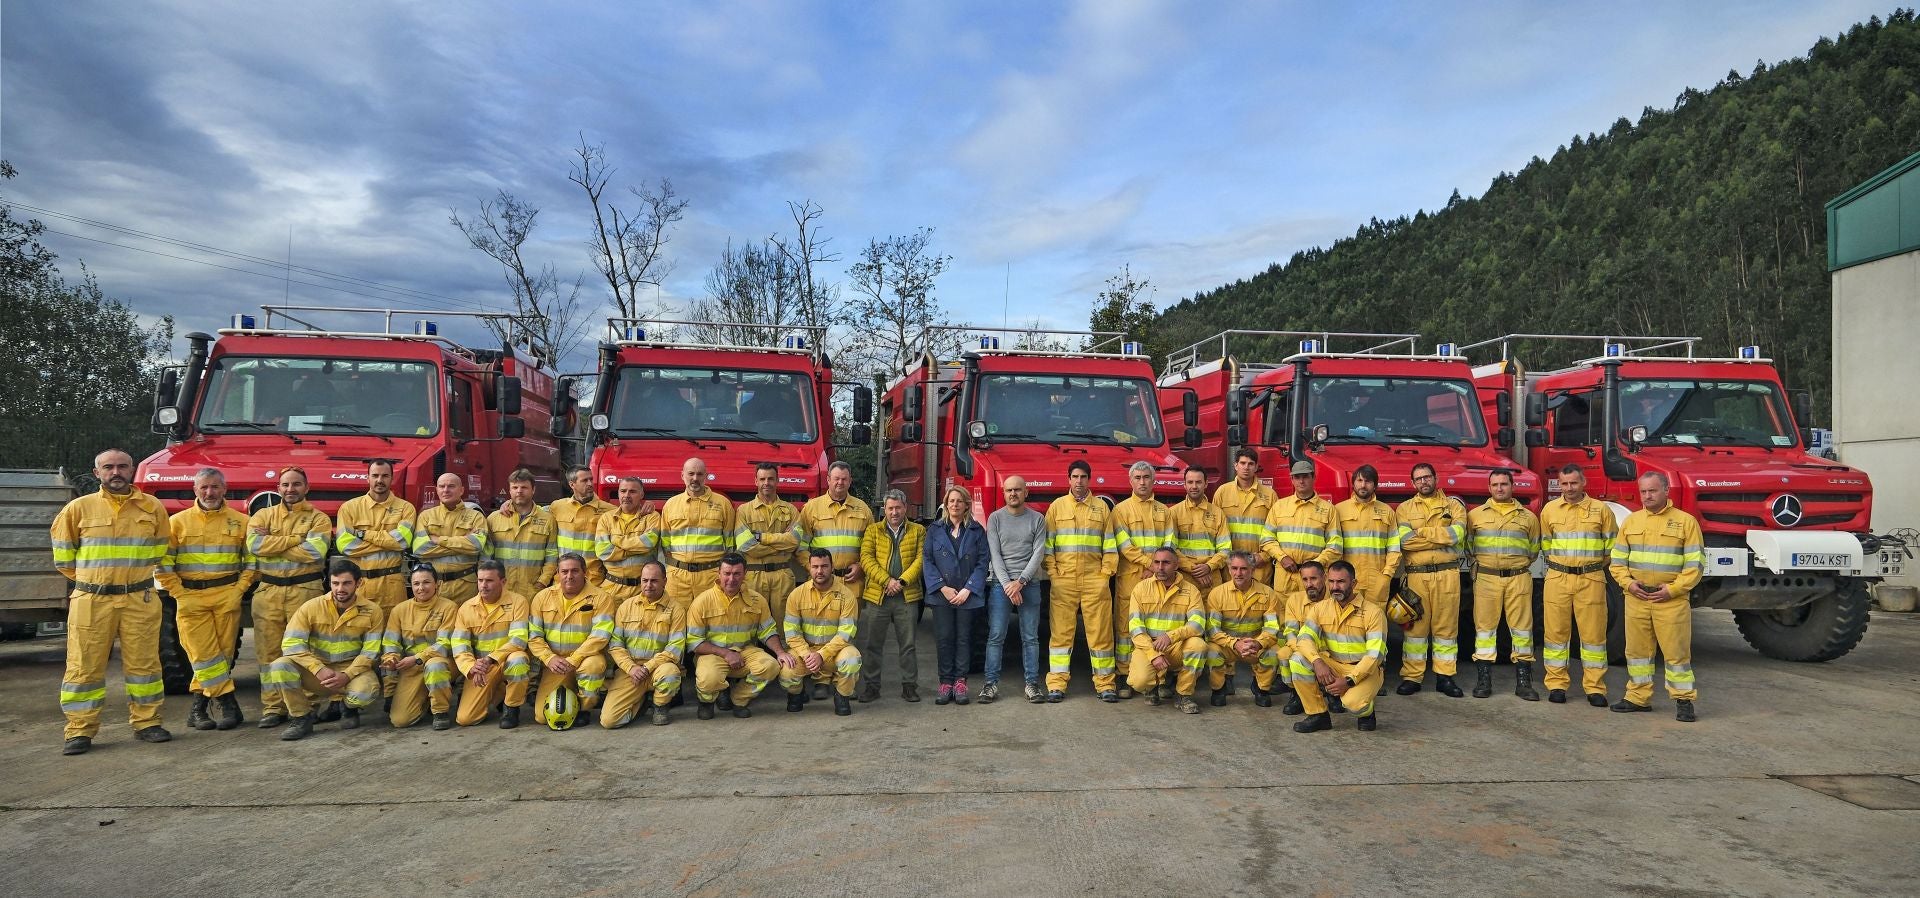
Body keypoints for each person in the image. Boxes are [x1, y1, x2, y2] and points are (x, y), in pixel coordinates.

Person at [49, 448, 173, 755]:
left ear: (131, 470)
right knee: (83, 667)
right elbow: (64, 558)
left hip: (139, 598)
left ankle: (148, 723)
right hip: (91, 599)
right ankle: (79, 731)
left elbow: (160, 549)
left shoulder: (152, 508)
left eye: (121, 466)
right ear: (97, 473)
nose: (115, 472)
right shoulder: (78, 509)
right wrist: (97, 581)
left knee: (145, 665)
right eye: (108, 467)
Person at [156, 467, 254, 732]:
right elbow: (163, 563)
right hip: (189, 597)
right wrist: (178, 593)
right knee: (203, 655)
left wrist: (239, 591)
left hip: (227, 595)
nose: (210, 492)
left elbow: (252, 562)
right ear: (195, 491)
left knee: (221, 655)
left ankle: (197, 710)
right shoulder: (177, 522)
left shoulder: (242, 522)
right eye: (204, 488)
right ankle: (229, 703)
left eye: (215, 487)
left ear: (224, 489)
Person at [1609, 471, 1704, 722]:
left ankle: (1683, 701)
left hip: (1670, 600)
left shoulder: (1686, 522)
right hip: (1637, 598)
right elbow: (1617, 562)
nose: (1647, 496)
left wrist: (1672, 590)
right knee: (1637, 653)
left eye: (1652, 490)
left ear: (1666, 491)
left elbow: (1695, 566)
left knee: (1676, 654)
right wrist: (1628, 585)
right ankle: (1638, 698)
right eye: (1643, 491)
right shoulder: (1631, 522)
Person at [247, 467, 334, 729]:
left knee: (307, 650)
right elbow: (255, 546)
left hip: (305, 592)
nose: (290, 490)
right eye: (285, 485)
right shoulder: (263, 514)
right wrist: (297, 540)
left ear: (306, 488)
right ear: (278, 488)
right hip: (268, 593)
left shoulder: (319, 519)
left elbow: (315, 552)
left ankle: (308, 705)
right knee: (268, 653)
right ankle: (274, 707)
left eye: (297, 484)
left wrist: (275, 542)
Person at [266, 559, 385, 741]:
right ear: (329, 582)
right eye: (335, 583)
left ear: (358, 583)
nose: (340, 589)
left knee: (365, 693)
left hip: (350, 672)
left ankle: (348, 708)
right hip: (319, 673)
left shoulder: (372, 611)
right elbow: (291, 644)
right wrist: (318, 669)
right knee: (280, 667)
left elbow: (371, 652)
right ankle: (301, 718)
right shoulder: (311, 607)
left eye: (346, 583)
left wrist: (347, 675)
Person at [1261, 460, 1342, 709]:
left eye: (1306, 476)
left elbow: (1335, 545)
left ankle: (1328, 687)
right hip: (1285, 577)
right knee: (1287, 629)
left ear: (1313, 477)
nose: (1302, 481)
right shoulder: (1279, 506)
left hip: (1315, 580)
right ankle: (1295, 689)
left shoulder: (1328, 510)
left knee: (1322, 628)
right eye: (1298, 477)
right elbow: (1266, 538)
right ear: (1292, 480)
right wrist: (1281, 556)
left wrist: (1315, 565)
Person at [1539, 465, 1618, 706]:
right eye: (1564, 483)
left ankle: (1595, 688)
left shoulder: (1601, 510)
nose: (1569, 488)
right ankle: (1556, 685)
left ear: (1583, 482)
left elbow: (1610, 548)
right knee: (1555, 635)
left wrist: (1588, 566)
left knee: (1593, 636)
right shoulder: (1549, 510)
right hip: (1558, 578)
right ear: (1559, 484)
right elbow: (1546, 545)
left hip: (1591, 579)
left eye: (1574, 483)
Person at [1044, 460, 1120, 702]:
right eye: (1075, 477)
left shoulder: (1101, 508)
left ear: (1090, 480)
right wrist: (1054, 575)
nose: (1079, 481)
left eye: (1083, 477)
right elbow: (1048, 546)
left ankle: (1106, 684)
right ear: (1068, 479)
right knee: (1060, 636)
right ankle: (1056, 684)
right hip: (1064, 580)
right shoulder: (1056, 507)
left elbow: (1110, 545)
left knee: (1101, 635)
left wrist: (1105, 575)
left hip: (1094, 581)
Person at [686, 553, 793, 719]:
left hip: (745, 652)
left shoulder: (757, 600)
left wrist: (780, 652)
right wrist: (726, 653)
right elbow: (695, 642)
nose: (731, 579)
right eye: (727, 573)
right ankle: (706, 702)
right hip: (712, 654)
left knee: (771, 666)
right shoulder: (702, 602)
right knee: (709, 679)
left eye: (736, 573)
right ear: (718, 574)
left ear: (745, 574)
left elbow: (768, 631)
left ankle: (739, 699)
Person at [1466, 469, 1543, 700]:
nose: (1500, 488)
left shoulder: (1528, 517)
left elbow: (1533, 549)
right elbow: (1469, 547)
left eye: (1504, 484)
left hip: (1518, 577)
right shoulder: (1475, 516)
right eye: (1495, 484)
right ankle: (1484, 679)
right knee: (1485, 630)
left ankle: (1524, 682)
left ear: (1512, 486)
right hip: (1487, 578)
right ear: (1489, 488)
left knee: (1521, 630)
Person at [1395, 462, 1468, 698]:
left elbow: (1457, 535)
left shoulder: (1454, 506)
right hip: (1417, 576)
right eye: (1418, 479)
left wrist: (1423, 532)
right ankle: (1412, 677)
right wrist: (1440, 536)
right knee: (1416, 628)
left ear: (1436, 478)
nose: (1423, 482)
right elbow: (1405, 541)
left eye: (1427, 477)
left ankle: (1445, 677)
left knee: (1446, 628)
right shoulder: (1404, 509)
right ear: (1413, 483)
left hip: (1448, 574)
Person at [1291, 560, 1387, 733]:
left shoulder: (1373, 613)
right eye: (1332, 582)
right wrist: (1317, 661)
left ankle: (1367, 713)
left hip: (1365, 671)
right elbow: (1304, 638)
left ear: (1354, 583)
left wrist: (1349, 681)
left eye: (1341, 582)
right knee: (1298, 659)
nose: (1335, 587)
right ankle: (1318, 715)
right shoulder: (1321, 608)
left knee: (1353, 703)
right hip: (1334, 665)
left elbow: (1375, 655)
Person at [528, 553, 614, 726]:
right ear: (557, 574)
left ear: (585, 572)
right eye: (564, 571)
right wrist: (549, 658)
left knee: (594, 666)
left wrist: (574, 659)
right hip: (557, 664)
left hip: (585, 659)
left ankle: (584, 708)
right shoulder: (542, 598)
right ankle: (570, 697)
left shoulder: (601, 598)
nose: (569, 576)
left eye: (574, 571)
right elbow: (534, 636)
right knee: (542, 716)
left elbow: (600, 635)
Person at [1109, 459, 1173, 689]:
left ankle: (1160, 677)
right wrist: (1152, 564)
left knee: (1158, 625)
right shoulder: (1120, 510)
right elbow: (1124, 545)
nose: (1142, 482)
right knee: (1126, 628)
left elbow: (1169, 542)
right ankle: (1125, 674)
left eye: (1146, 477)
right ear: (1131, 481)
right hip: (1131, 578)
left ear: (1154, 480)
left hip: (1160, 578)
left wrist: (1155, 567)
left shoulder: (1164, 511)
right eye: (1138, 478)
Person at [985, 475, 1048, 703]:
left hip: (1028, 584)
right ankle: (990, 685)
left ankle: (1032, 684)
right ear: (1004, 493)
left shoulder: (1038, 519)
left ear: (1026, 493)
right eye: (1009, 490)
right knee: (996, 636)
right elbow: (995, 555)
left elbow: (1038, 554)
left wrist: (1020, 582)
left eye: (1018, 490)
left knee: (1030, 637)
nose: (1013, 494)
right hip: (1001, 585)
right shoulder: (995, 519)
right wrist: (1008, 586)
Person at [858, 490, 925, 703]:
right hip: (879, 596)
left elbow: (921, 559)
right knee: (873, 644)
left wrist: (902, 582)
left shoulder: (918, 531)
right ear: (884, 510)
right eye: (890, 508)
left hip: (907, 596)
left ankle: (909, 686)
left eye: (898, 508)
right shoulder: (873, 531)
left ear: (905, 508)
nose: (894, 512)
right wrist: (887, 581)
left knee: (908, 645)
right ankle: (871, 686)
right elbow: (866, 559)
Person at [924, 485, 988, 705]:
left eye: (959, 501)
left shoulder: (977, 531)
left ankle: (960, 682)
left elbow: (982, 562)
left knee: (963, 639)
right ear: (946, 504)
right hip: (942, 595)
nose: (955, 505)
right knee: (944, 639)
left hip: (966, 595)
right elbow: (928, 561)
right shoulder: (934, 530)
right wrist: (942, 587)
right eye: (951, 501)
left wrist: (968, 589)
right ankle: (945, 683)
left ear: (966, 505)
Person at [449, 560, 533, 728]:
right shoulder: (466, 608)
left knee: (518, 660)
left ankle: (511, 708)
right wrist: (471, 667)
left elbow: (518, 640)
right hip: (482, 668)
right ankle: (499, 694)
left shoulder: (518, 602)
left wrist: (490, 659)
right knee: (466, 719)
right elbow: (460, 644)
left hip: (505, 661)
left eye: (489, 581)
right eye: (480, 580)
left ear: (503, 582)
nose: (483, 586)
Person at [601, 561, 684, 729]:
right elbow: (616, 646)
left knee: (670, 674)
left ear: (665, 581)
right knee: (609, 721)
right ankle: (641, 702)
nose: (649, 585)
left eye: (654, 580)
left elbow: (674, 649)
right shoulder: (626, 606)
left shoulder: (676, 609)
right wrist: (631, 668)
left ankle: (660, 706)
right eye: (645, 580)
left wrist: (647, 668)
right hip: (630, 672)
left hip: (657, 669)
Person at [779, 549, 862, 716]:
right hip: (807, 652)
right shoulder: (796, 594)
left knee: (852, 659)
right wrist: (806, 653)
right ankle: (796, 694)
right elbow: (791, 632)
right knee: (786, 670)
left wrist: (822, 655)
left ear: (832, 568)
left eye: (824, 566)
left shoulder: (847, 595)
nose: (819, 571)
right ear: (809, 568)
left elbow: (846, 633)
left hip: (835, 652)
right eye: (815, 566)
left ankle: (842, 695)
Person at [1126, 547, 1208, 714]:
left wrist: (1171, 637)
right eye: (1157, 562)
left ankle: (1183, 694)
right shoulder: (1140, 589)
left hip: (1176, 644)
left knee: (1198, 646)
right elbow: (1135, 627)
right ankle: (1152, 687)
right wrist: (1153, 654)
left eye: (1166, 563)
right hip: (1149, 645)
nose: (1160, 567)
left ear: (1176, 565)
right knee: (1138, 681)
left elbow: (1198, 624)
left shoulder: (1191, 590)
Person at [334, 458, 417, 615]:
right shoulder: (349, 508)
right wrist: (388, 540)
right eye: (375, 475)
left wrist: (362, 534)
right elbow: (345, 546)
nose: (380, 480)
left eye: (385, 476)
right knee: (359, 633)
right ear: (368, 477)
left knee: (391, 636)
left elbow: (403, 541)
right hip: (360, 585)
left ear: (392, 478)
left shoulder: (406, 508)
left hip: (392, 586)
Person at [379, 565, 458, 730]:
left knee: (435, 666)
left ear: (437, 584)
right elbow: (390, 642)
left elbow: (444, 644)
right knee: (400, 721)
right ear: (411, 586)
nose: (421, 588)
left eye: (426, 582)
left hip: (441, 663)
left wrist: (417, 658)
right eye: (416, 584)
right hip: (410, 669)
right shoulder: (399, 610)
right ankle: (425, 702)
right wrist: (391, 658)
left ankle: (440, 712)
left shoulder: (448, 607)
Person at [1205, 551, 1283, 707]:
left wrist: (1258, 643)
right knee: (1211, 650)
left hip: (1254, 646)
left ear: (1253, 570)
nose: (1238, 573)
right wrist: (1234, 643)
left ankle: (1261, 688)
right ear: (1229, 569)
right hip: (1228, 646)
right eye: (1234, 568)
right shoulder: (1217, 594)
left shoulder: (1268, 594)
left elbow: (1272, 627)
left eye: (1243, 569)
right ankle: (1219, 689)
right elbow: (1213, 630)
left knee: (1274, 651)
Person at [660, 457, 737, 607]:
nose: (695, 478)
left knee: (711, 619)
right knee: (678, 622)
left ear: (706, 476)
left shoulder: (723, 504)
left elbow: (730, 544)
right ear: (682, 475)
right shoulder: (670, 504)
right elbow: (665, 543)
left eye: (700, 474)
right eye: (691, 474)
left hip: (711, 576)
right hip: (677, 578)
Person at [735, 462, 803, 625]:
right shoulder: (743, 511)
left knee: (784, 625)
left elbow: (794, 541)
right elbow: (746, 546)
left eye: (771, 479)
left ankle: (783, 650)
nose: (767, 483)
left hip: (783, 576)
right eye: (762, 479)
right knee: (752, 623)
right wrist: (780, 547)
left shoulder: (791, 510)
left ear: (778, 481)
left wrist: (762, 538)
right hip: (753, 576)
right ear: (756, 481)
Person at [798, 461, 874, 603]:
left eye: (844, 479)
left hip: (852, 583)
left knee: (849, 625)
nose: (840, 482)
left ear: (850, 481)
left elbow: (872, 546)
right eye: (836, 479)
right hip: (821, 583)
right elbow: (800, 546)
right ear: (828, 480)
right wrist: (814, 569)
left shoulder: (863, 509)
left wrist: (861, 566)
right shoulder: (811, 508)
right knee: (820, 625)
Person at [1333, 464, 1400, 616]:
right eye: (1359, 480)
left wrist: (1387, 574)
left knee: (1376, 623)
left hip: (1377, 580)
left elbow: (1394, 548)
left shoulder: (1387, 511)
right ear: (1353, 483)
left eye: (1368, 481)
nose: (1363, 485)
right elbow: (1333, 546)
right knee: (1347, 623)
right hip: (1348, 578)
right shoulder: (1338, 510)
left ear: (1375, 485)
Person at [412, 473, 489, 604]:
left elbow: (476, 546)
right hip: (434, 586)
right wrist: (462, 543)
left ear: (461, 490)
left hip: (466, 586)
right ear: (436, 490)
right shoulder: (426, 516)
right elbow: (420, 549)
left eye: (451, 486)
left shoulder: (476, 516)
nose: (446, 490)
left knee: (463, 624)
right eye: (441, 486)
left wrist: (438, 540)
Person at [488, 468, 559, 598]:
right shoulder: (494, 519)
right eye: (515, 487)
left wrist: (542, 582)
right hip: (501, 589)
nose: (519, 491)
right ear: (509, 490)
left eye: (524, 487)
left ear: (533, 490)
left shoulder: (547, 520)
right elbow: (486, 555)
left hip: (532, 591)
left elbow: (552, 555)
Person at [1214, 448, 1279, 585]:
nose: (1246, 467)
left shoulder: (1269, 495)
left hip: (1258, 564)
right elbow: (1214, 529)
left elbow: (1276, 530)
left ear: (1256, 467)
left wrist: (1264, 556)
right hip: (1230, 564)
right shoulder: (1222, 492)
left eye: (1250, 464)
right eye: (1242, 463)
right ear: (1235, 465)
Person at [596, 476, 662, 606]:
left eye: (632, 491)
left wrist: (615, 540)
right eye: (623, 491)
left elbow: (648, 543)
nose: (626, 495)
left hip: (642, 590)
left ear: (642, 494)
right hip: (611, 588)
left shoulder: (652, 517)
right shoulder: (606, 519)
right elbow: (602, 551)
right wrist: (635, 549)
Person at [550, 465, 615, 584]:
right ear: (572, 484)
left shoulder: (610, 510)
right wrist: (509, 504)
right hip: (563, 579)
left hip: (594, 579)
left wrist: (648, 506)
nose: (590, 483)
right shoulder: (557, 507)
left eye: (591, 479)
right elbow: (534, 512)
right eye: (584, 480)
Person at [1170, 466, 1230, 593]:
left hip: (1212, 578)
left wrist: (1209, 566)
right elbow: (1171, 548)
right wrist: (1193, 569)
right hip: (1185, 578)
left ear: (1206, 484)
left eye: (1198, 482)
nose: (1194, 486)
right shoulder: (1174, 513)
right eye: (1190, 482)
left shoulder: (1218, 513)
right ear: (1184, 485)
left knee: (1213, 613)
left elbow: (1225, 549)